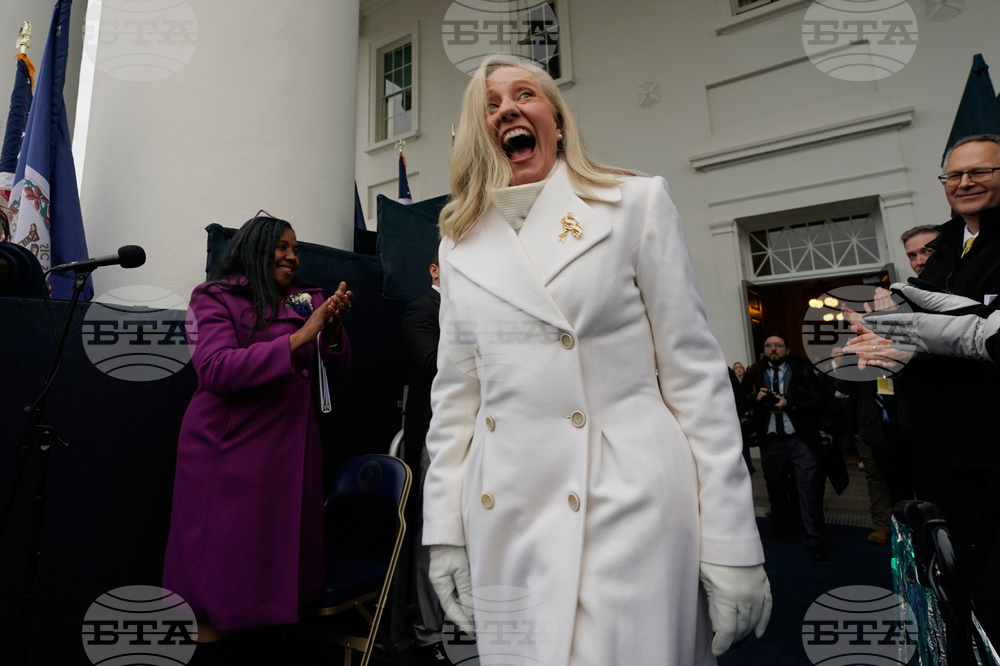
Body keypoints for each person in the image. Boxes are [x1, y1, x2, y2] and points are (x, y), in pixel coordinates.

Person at [422, 54, 769, 666]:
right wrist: (445, 531)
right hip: (506, 510)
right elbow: (455, 398)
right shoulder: (458, 244)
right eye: (489, 105)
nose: (506, 110)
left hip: (627, 500)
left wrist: (731, 539)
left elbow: (695, 379)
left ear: (556, 119)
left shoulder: (634, 202)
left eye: (524, 95)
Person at [162, 213, 353, 663]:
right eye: (281, 247)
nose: (292, 256)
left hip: (287, 457)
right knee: (219, 581)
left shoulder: (305, 300)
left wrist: (332, 330)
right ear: (255, 249)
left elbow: (336, 372)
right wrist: (301, 336)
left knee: (273, 579)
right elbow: (216, 368)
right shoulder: (214, 297)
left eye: (295, 249)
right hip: (228, 458)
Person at [400, 252, 452, 666]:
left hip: (477, 439)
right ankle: (428, 634)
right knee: (432, 536)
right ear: (434, 269)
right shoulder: (422, 310)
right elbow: (434, 365)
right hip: (437, 440)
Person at [751, 334, 829, 561]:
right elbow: (741, 399)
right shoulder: (754, 371)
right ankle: (779, 524)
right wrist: (755, 398)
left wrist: (790, 403)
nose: (773, 349)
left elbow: (818, 401)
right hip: (771, 439)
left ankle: (815, 540)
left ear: (787, 349)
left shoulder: (802, 370)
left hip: (799, 438)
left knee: (808, 489)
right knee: (775, 486)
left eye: (778, 345)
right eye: (768, 345)